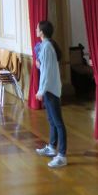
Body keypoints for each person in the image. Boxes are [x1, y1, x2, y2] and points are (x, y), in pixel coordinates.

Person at [35, 20, 67, 168]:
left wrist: (41, 91)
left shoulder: (47, 47)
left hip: (50, 90)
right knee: (52, 120)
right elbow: (46, 68)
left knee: (58, 123)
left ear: (42, 32)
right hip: (49, 89)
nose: (36, 30)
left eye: (37, 28)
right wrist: (40, 65)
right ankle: (52, 147)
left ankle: (61, 155)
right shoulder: (46, 46)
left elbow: (47, 73)